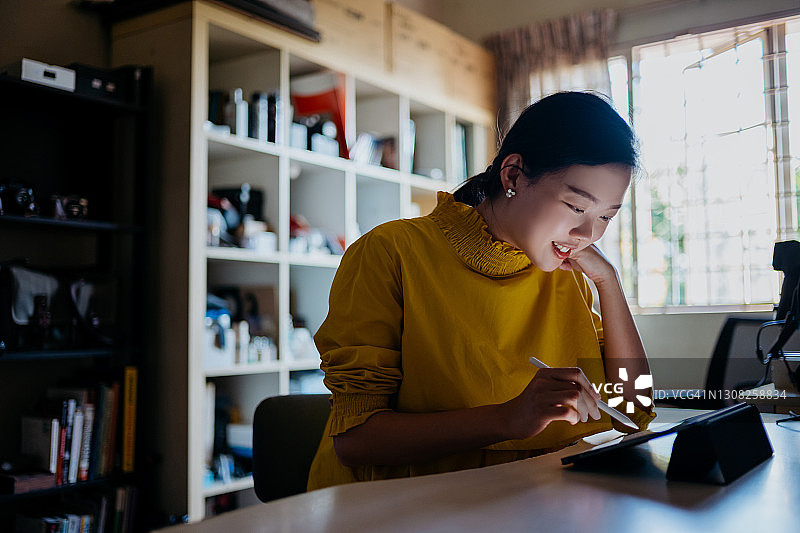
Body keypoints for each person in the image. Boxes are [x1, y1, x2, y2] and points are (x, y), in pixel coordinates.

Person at [307, 91, 655, 490]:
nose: (587, 235)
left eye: (606, 216)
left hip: (535, 500)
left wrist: (609, 284)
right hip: (412, 505)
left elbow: (635, 411)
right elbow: (355, 440)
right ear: (512, 175)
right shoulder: (391, 252)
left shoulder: (570, 272)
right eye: (576, 207)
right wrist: (508, 419)